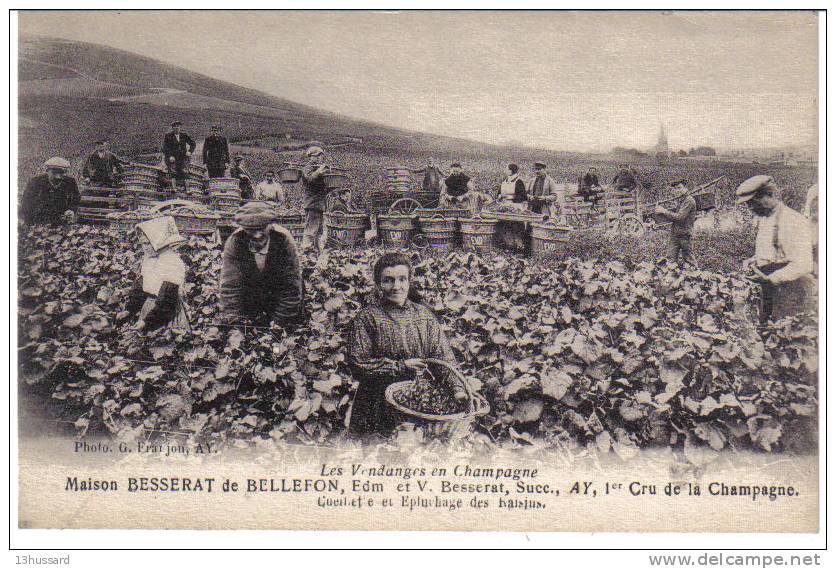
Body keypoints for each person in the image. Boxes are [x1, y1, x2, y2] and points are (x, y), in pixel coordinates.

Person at [347, 252, 460, 440]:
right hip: (375, 400)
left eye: (402, 279)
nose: (396, 286)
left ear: (409, 281)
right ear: (378, 284)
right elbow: (358, 364)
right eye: (388, 280)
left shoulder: (424, 316)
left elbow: (443, 357)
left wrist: (457, 388)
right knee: (377, 454)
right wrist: (401, 366)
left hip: (415, 398)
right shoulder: (367, 318)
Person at [735, 175, 815, 322]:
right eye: (748, 204)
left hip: (792, 290)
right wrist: (753, 260)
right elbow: (773, 252)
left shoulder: (793, 221)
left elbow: (804, 264)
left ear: (769, 194)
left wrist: (771, 278)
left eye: (754, 202)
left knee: (787, 333)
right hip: (771, 287)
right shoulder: (765, 218)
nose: (751, 207)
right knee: (767, 329)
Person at [220, 202, 305, 326]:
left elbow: (291, 288)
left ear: (270, 226)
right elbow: (230, 287)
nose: (257, 234)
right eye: (251, 230)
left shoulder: (283, 240)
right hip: (250, 297)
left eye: (262, 228)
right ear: (243, 229)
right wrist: (236, 323)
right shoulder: (235, 242)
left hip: (279, 298)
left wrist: (279, 323)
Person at [124, 216, 191, 332]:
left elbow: (167, 300)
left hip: (165, 314)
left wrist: (147, 322)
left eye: (148, 243)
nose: (145, 248)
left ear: (159, 241)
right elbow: (141, 289)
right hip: (149, 308)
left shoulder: (172, 262)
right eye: (143, 244)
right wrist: (129, 310)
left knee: (162, 341)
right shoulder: (149, 259)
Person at [20, 157, 80, 225]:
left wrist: (71, 210)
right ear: (47, 171)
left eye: (61, 173)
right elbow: (26, 204)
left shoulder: (70, 182)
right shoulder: (35, 182)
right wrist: (29, 223)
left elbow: (76, 198)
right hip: (38, 220)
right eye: (54, 173)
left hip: (61, 220)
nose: (58, 177)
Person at [654, 179, 697, 266]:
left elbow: (680, 217)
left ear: (686, 188)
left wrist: (664, 211)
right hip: (675, 233)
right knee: (670, 260)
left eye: (680, 188)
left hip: (685, 234)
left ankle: (696, 277)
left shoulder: (689, 200)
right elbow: (675, 215)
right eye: (675, 189)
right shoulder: (681, 200)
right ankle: (672, 277)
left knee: (689, 260)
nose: (677, 190)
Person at [300, 146, 331, 253]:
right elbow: (310, 179)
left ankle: (317, 252)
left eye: (320, 156)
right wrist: (319, 171)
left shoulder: (318, 168)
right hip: (312, 204)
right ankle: (305, 251)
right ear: (311, 156)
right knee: (311, 230)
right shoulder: (307, 168)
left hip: (319, 204)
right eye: (316, 156)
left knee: (319, 231)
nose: (319, 158)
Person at [162, 121, 196, 189]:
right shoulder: (168, 136)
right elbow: (165, 148)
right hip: (173, 158)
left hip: (183, 157)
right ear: (172, 128)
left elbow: (193, 144)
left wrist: (190, 152)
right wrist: (170, 156)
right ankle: (174, 188)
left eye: (178, 126)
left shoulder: (184, 135)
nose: (177, 128)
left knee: (185, 172)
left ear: (180, 127)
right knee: (173, 172)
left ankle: (188, 189)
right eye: (175, 126)